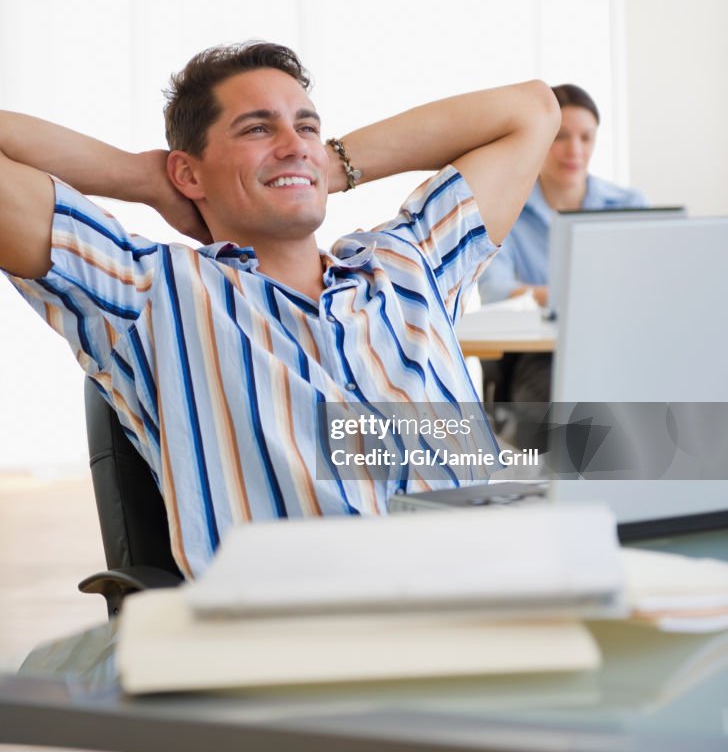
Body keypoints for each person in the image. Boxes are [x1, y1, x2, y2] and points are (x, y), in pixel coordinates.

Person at [0, 42, 559, 578]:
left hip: (503, 588)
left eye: (307, 125)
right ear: (189, 173)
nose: (294, 142)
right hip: (309, 637)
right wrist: (145, 179)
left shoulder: (409, 264)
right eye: (258, 128)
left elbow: (531, 109)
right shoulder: (146, 291)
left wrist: (323, 164)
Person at [478, 83, 647, 405]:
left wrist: (544, 295)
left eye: (586, 137)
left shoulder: (631, 204)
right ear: (539, 140)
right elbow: (495, 291)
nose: (575, 151)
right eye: (560, 137)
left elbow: (650, 289)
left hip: (624, 349)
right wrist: (584, 298)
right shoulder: (505, 211)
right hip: (545, 359)